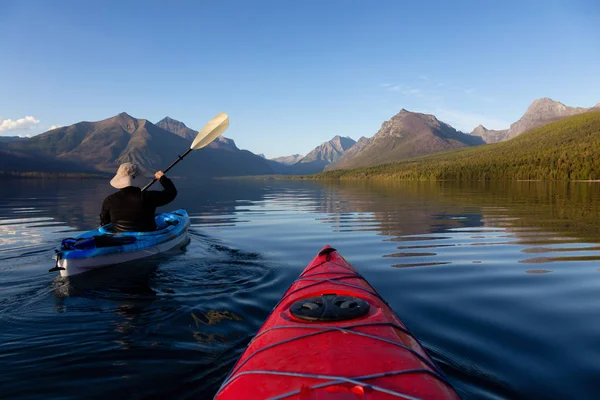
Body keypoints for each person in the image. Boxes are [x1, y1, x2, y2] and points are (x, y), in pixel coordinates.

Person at [100, 163, 177, 232]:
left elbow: (105, 222)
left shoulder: (109, 200)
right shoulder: (148, 197)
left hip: (120, 238)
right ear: (138, 179)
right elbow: (171, 193)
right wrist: (162, 178)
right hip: (147, 237)